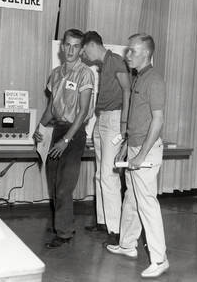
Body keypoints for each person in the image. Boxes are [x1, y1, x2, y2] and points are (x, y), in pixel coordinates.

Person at [106, 34, 169, 278]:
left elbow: (158, 120)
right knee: (131, 199)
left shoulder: (154, 80)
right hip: (135, 146)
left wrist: (141, 155)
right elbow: (137, 118)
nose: (127, 55)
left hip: (147, 150)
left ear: (146, 53)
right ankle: (127, 244)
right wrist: (127, 145)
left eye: (132, 51)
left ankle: (160, 258)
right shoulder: (137, 78)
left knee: (146, 203)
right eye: (128, 51)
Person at [33, 28, 95, 249]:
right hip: (56, 130)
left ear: (80, 50)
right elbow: (51, 107)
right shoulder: (56, 73)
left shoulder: (85, 73)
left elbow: (82, 111)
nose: (70, 50)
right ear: (62, 47)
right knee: (53, 183)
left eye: (76, 46)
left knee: (64, 186)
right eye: (67, 45)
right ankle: (63, 222)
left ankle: (65, 233)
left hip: (74, 134)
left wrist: (66, 140)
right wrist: (40, 127)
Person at [81, 31, 131, 246]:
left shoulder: (116, 60)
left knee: (109, 175)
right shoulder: (104, 65)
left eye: (84, 50)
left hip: (114, 120)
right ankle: (103, 222)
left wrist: (124, 124)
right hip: (102, 119)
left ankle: (116, 229)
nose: (83, 54)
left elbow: (127, 90)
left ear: (92, 45)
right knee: (100, 175)